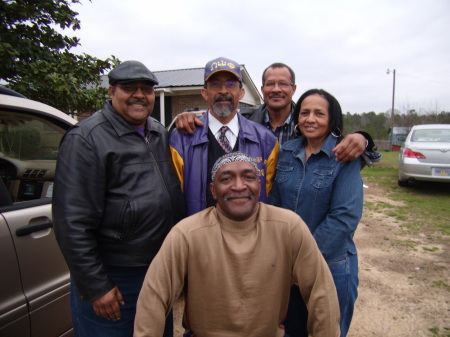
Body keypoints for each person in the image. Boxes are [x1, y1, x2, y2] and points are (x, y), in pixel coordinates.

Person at [134, 152, 341, 337]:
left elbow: (321, 292)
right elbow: (154, 298)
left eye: (249, 177)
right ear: (213, 191)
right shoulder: (187, 233)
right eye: (226, 179)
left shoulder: (288, 226)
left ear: (259, 186)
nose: (239, 186)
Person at [53, 60, 185, 337]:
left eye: (147, 89)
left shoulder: (158, 132)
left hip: (158, 268)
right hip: (115, 274)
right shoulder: (86, 139)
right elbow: (71, 222)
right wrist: (96, 285)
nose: (139, 94)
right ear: (112, 92)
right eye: (129, 88)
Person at [269, 89, 364, 337]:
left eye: (319, 113)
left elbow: (344, 218)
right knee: (290, 330)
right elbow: (274, 205)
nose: (310, 119)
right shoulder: (286, 151)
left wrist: (303, 264)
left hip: (331, 265)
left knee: (327, 331)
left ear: (332, 120)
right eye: (305, 112)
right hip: (287, 266)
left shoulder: (344, 156)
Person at [174, 62, 380, 164]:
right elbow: (217, 118)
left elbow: (342, 147)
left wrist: (363, 138)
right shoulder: (246, 122)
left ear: (294, 88)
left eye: (283, 84)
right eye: (270, 84)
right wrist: (186, 116)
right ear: (262, 90)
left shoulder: (310, 125)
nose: (276, 89)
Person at [169, 56, 279, 216]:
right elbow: (174, 199)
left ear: (241, 93)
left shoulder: (266, 140)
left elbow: (270, 194)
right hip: (200, 234)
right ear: (204, 93)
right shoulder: (181, 140)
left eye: (231, 84)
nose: (223, 91)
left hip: (248, 234)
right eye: (215, 85)